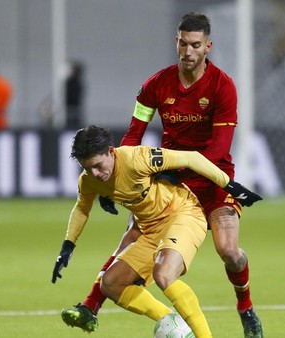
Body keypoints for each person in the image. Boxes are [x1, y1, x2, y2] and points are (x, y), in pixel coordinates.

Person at [62, 12, 266, 338]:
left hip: (210, 177)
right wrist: (119, 176)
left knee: (228, 251)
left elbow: (218, 147)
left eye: (195, 45)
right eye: (183, 44)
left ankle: (246, 307)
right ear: (177, 42)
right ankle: (91, 306)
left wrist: (178, 171)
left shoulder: (223, 87)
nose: (187, 51)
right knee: (130, 237)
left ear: (207, 47)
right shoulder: (156, 85)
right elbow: (133, 135)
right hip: (167, 176)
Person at [51, 125, 261, 338]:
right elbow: (81, 208)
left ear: (111, 152)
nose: (95, 174)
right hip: (150, 229)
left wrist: (230, 186)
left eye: (97, 166)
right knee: (111, 283)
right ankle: (171, 320)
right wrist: (68, 245)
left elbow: (191, 158)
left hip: (183, 214)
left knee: (164, 274)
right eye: (88, 169)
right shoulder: (89, 180)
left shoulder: (136, 158)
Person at [64, 59, 85, 129]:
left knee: (73, 123)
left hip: (73, 107)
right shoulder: (72, 82)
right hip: (71, 108)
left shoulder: (75, 82)